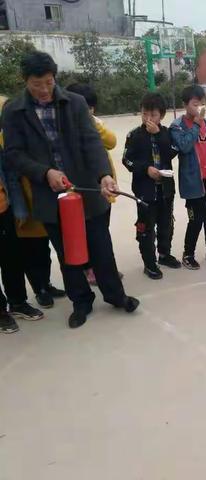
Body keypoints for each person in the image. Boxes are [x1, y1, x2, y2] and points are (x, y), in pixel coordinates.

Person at [2, 51, 139, 329]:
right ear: (25, 80)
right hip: (49, 195)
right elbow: (14, 154)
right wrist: (45, 172)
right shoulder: (14, 111)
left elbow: (92, 141)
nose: (43, 90)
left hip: (87, 190)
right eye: (36, 84)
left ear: (55, 78)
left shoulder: (74, 103)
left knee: (101, 247)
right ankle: (81, 302)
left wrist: (103, 175)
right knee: (67, 253)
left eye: (48, 83)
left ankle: (115, 295)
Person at [1, 95, 65, 309]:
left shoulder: (29, 135)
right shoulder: (7, 142)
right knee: (31, 250)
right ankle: (39, 289)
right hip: (24, 203)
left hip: (42, 196)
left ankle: (45, 284)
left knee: (44, 247)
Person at [65, 83, 124, 285]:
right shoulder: (67, 126)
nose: (88, 112)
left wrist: (90, 122)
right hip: (82, 190)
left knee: (101, 233)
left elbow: (111, 141)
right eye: (84, 108)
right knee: (84, 232)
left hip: (102, 187)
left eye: (90, 108)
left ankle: (104, 269)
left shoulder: (93, 123)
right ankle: (88, 268)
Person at [170, 85, 206, 270]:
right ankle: (188, 254)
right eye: (196, 104)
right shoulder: (177, 126)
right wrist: (196, 123)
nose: (200, 108)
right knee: (196, 220)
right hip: (193, 182)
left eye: (202, 103)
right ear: (185, 105)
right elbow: (185, 146)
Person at [123, 92, 180, 279]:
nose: (148, 119)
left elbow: (172, 152)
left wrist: (159, 136)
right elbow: (126, 160)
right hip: (144, 192)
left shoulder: (167, 134)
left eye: (153, 115)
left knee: (166, 224)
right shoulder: (134, 136)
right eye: (145, 114)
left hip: (165, 189)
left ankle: (164, 254)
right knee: (146, 228)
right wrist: (145, 169)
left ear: (161, 116)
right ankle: (149, 263)